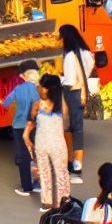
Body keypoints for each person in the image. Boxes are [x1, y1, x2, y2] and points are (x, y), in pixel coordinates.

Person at [25, 74, 71, 211]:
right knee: (61, 172)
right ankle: (63, 201)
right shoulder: (62, 106)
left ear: (45, 88)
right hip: (57, 143)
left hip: (41, 142)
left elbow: (30, 121)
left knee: (44, 172)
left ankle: (47, 202)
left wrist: (27, 138)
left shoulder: (37, 105)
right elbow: (67, 124)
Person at [59, 24, 94, 183]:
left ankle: (68, 161)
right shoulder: (86, 52)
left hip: (71, 93)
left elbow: (70, 80)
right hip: (82, 93)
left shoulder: (69, 55)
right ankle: (78, 163)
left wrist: (58, 79)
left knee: (68, 127)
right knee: (78, 129)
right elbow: (89, 68)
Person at [2, 61, 40, 196]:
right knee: (36, 153)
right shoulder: (40, 90)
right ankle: (39, 183)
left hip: (19, 126)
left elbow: (5, 103)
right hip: (36, 126)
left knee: (23, 156)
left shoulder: (18, 89)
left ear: (23, 76)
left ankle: (26, 186)